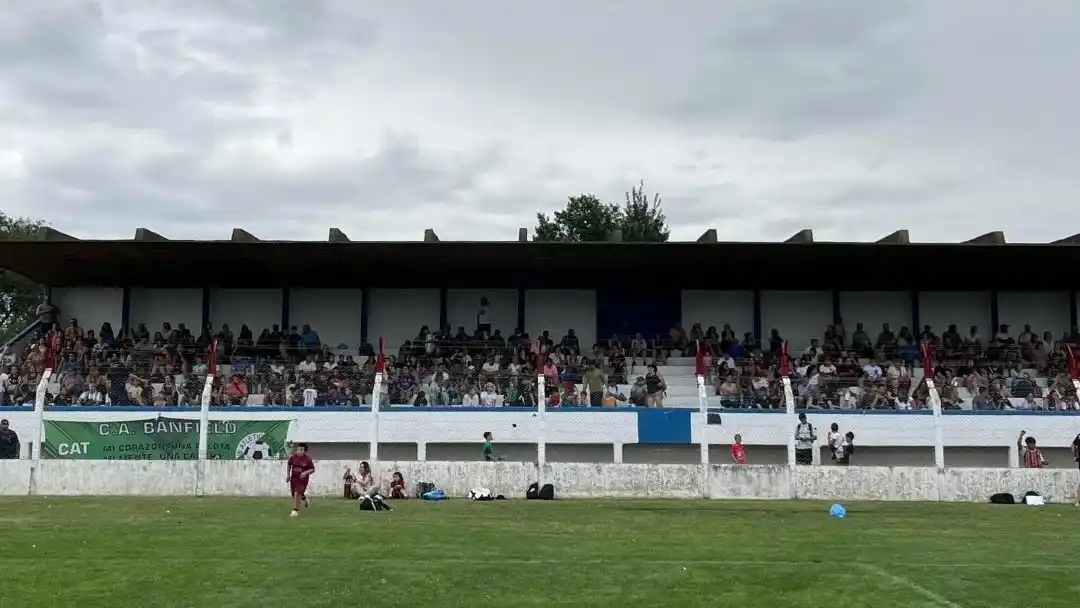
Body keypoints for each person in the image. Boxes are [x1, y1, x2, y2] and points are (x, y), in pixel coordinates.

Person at [286, 443, 315, 517]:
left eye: (301, 450)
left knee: (296, 493)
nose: (299, 451)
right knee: (295, 494)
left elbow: (312, 469)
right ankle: (304, 499)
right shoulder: (293, 457)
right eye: (298, 449)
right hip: (294, 478)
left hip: (303, 480)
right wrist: (288, 475)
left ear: (305, 451)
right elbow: (289, 465)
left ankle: (295, 510)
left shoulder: (308, 459)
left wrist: (305, 472)